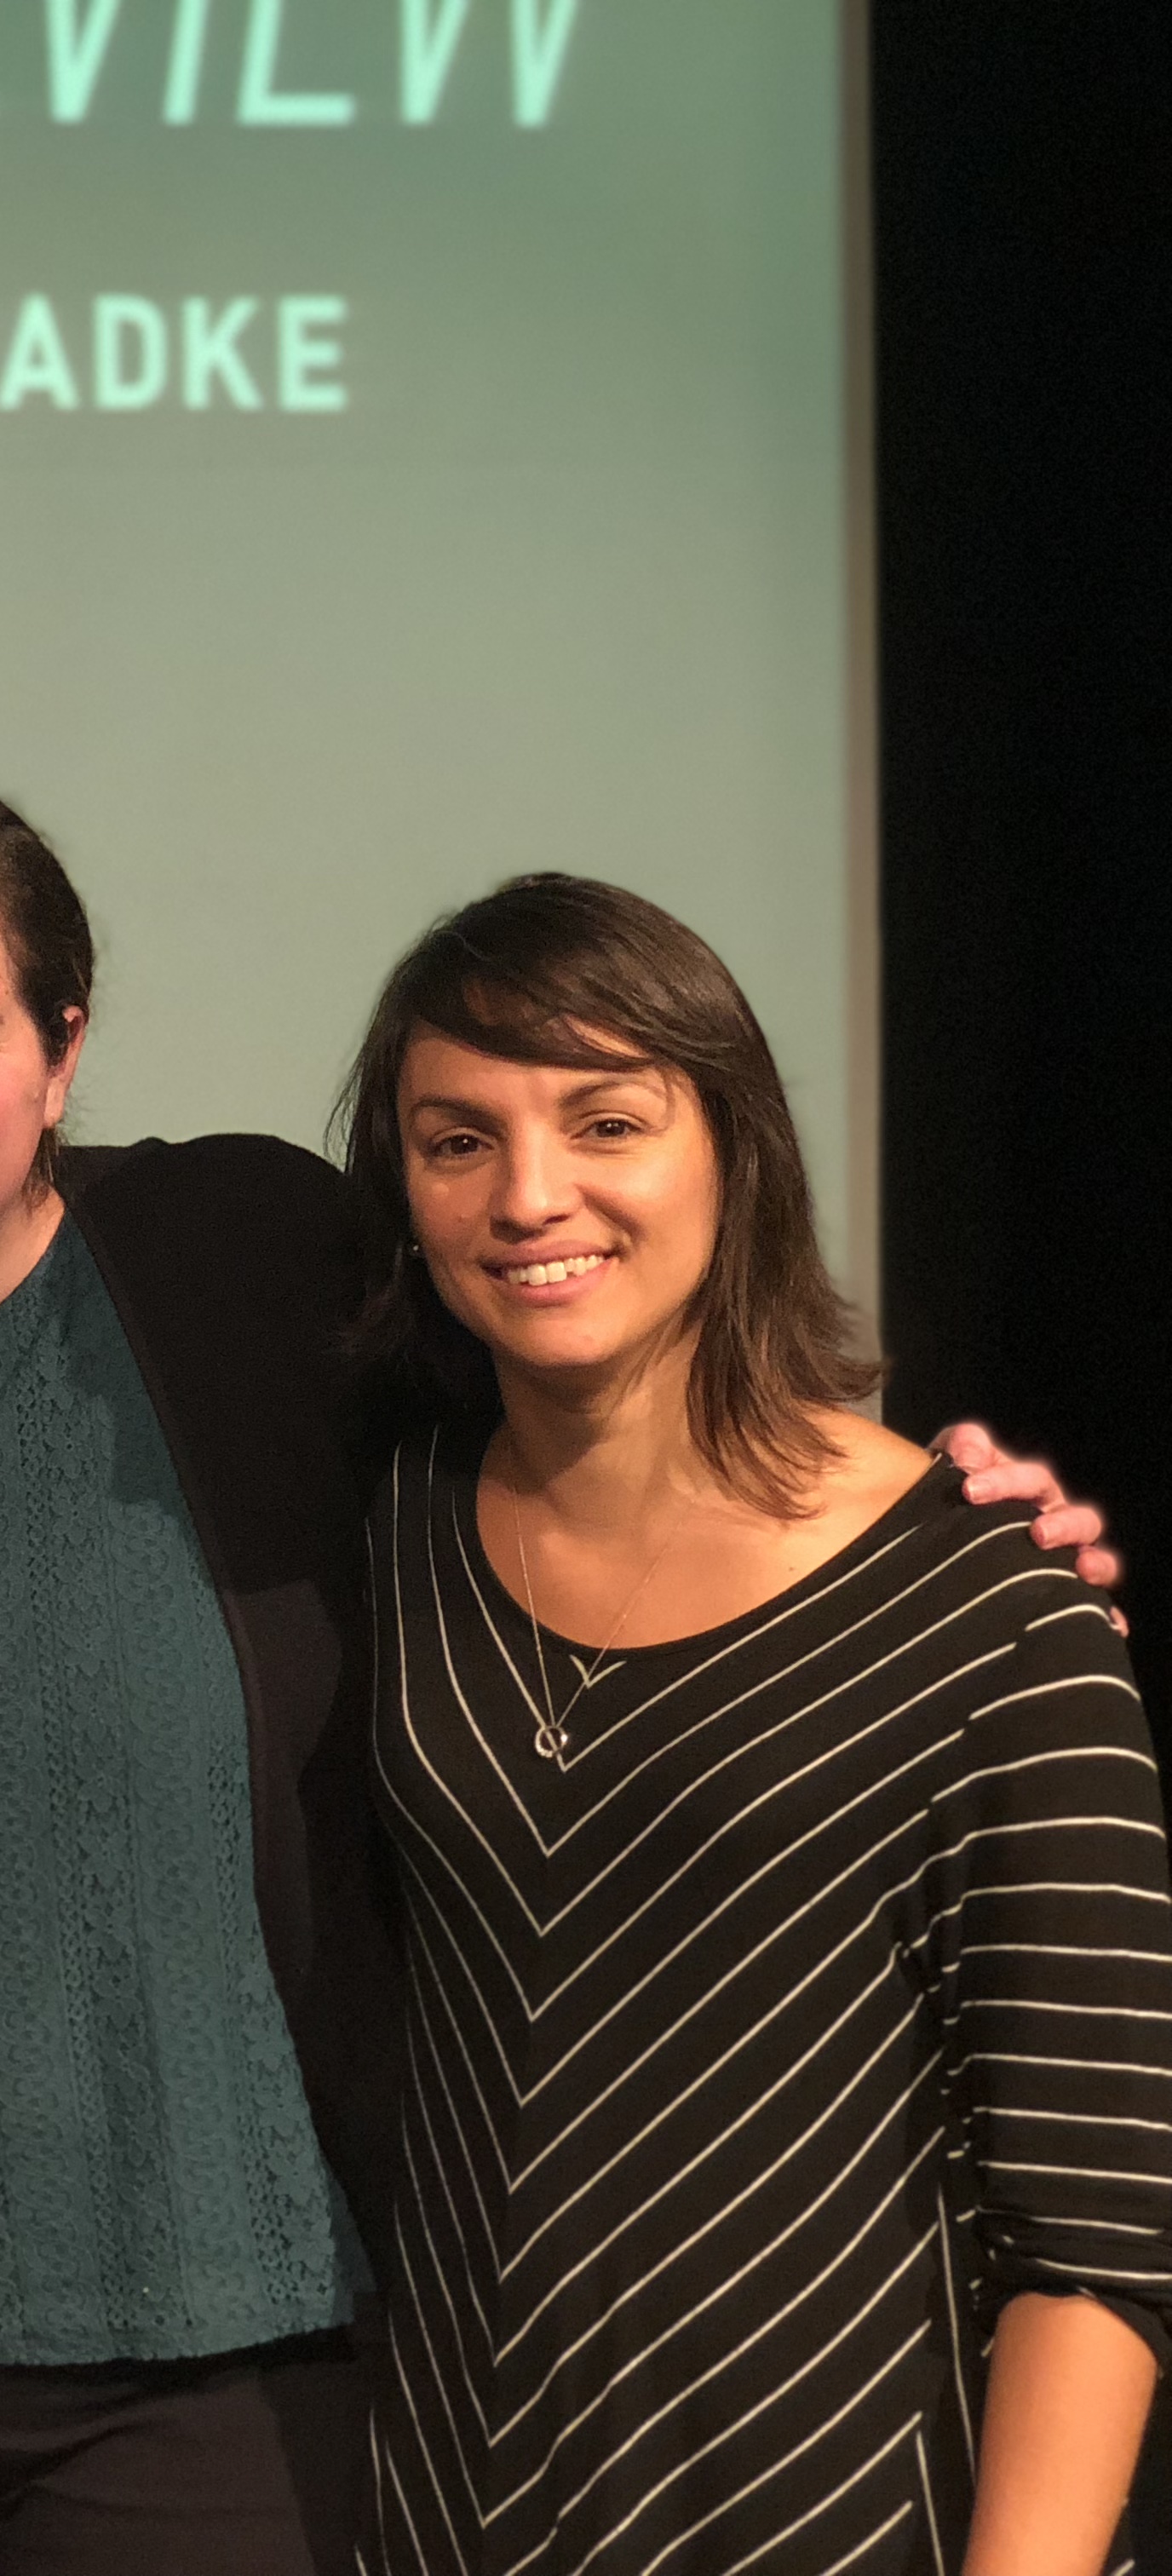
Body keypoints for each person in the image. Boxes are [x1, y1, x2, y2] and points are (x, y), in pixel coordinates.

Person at [0, 770, 1117, 2575]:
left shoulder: (252, 1266)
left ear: (63, 1055)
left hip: (235, 2365)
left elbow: (597, 1388)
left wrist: (910, 1509)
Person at [343, 874, 1164, 2576]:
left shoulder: (994, 1615)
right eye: (457, 1140)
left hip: (817, 2513)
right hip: (424, 2511)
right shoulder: (387, 1528)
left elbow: (1092, 2231)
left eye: (606, 1121)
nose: (532, 1194)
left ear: (735, 1144)